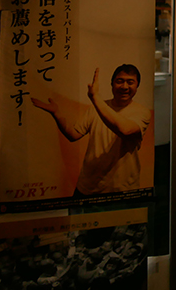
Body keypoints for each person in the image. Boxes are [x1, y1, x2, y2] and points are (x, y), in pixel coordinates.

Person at [33, 65, 151, 196]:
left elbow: (125, 130)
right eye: (119, 81)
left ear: (137, 86)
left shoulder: (142, 112)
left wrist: (95, 98)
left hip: (122, 190)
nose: (124, 86)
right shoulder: (95, 108)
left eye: (130, 82)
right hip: (88, 186)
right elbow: (73, 134)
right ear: (112, 84)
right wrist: (57, 113)